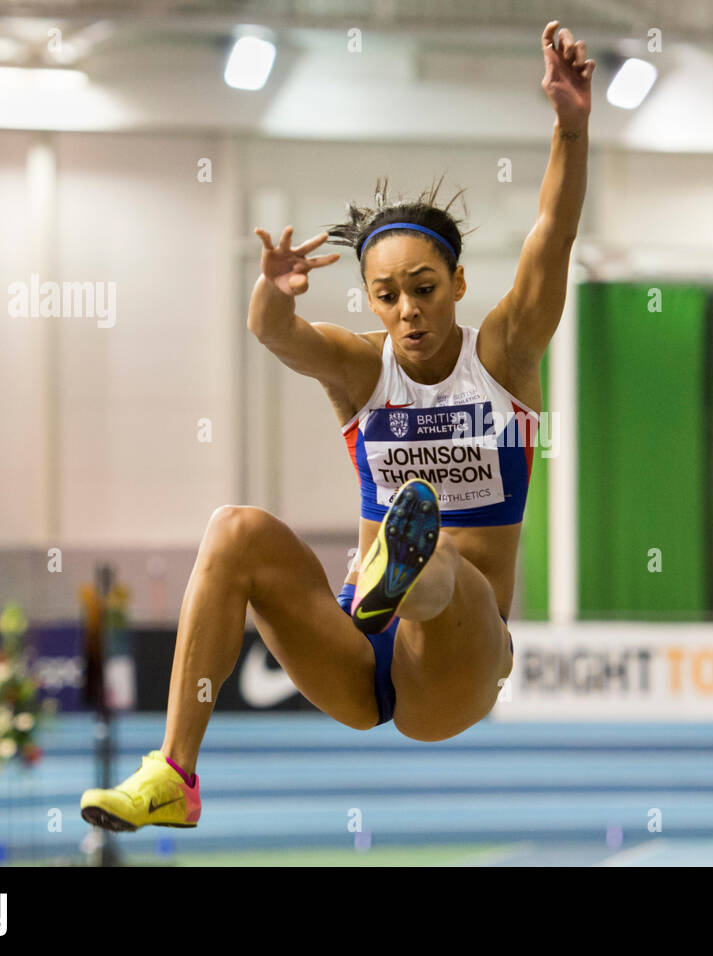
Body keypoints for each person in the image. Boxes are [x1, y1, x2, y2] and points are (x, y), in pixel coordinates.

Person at [80, 20, 594, 832]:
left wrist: (571, 127)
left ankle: (411, 566)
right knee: (233, 529)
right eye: (387, 295)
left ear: (458, 282)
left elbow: (552, 237)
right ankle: (175, 771)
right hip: (356, 658)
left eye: (424, 288)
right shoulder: (362, 371)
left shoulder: (504, 355)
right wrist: (275, 294)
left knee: (445, 562)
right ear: (372, 301)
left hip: (459, 665)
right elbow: (273, 335)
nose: (408, 310)